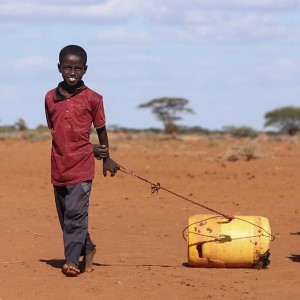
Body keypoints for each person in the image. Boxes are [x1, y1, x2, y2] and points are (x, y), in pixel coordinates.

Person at [45, 45, 119, 277]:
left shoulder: (94, 99)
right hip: (58, 166)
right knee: (66, 216)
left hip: (83, 166)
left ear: (85, 69)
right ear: (59, 68)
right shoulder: (49, 98)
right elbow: (55, 129)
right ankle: (88, 249)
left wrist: (106, 156)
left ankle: (71, 262)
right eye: (68, 67)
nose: (72, 72)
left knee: (76, 214)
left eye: (78, 68)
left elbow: (101, 129)